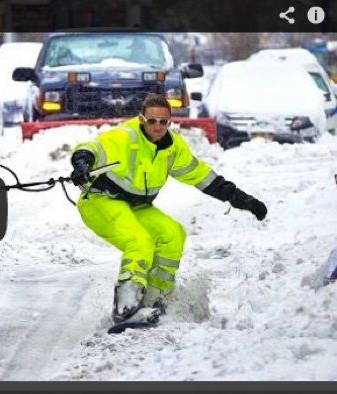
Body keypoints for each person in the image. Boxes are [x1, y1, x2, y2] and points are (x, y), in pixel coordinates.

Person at [70, 93, 268, 325]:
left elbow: (203, 177)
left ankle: (153, 300)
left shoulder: (172, 147)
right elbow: (91, 148)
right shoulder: (125, 137)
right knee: (139, 241)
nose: (157, 126)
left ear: (170, 122)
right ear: (142, 118)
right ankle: (126, 308)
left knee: (173, 234)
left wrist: (241, 199)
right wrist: (82, 163)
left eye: (163, 122)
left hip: (137, 205)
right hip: (101, 201)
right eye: (152, 121)